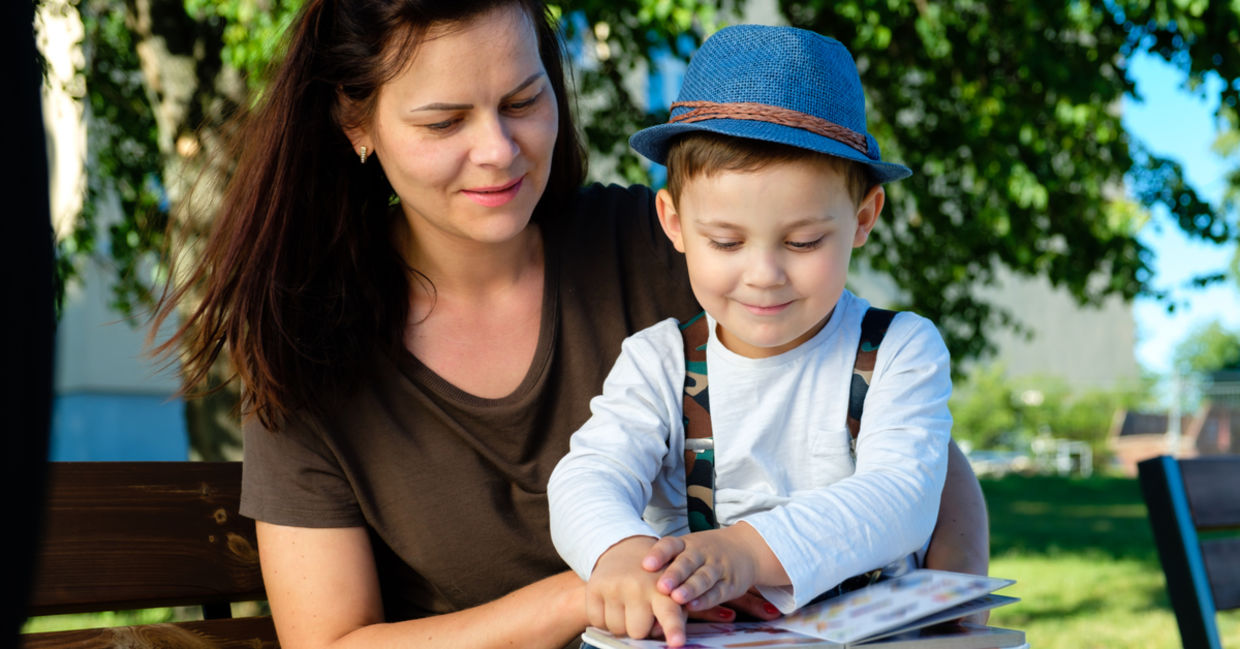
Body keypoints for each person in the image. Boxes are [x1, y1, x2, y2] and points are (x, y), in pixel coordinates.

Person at [149, 1, 988, 648]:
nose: (500, 151)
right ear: (356, 123)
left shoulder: (677, 249)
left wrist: (947, 619)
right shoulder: (310, 351)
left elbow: (904, 452)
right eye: (445, 121)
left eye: (522, 100)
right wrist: (581, 592)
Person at [548, 25, 953, 648]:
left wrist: (745, 550)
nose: (764, 275)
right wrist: (620, 551)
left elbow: (902, 495)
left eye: (803, 242)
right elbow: (587, 476)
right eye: (726, 242)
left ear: (864, 219)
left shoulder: (899, 350)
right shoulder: (658, 363)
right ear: (675, 224)